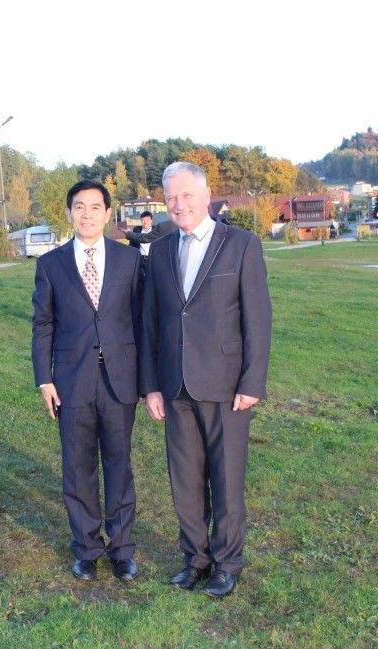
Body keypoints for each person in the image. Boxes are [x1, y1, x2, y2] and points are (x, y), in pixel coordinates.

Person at [140, 161, 272, 599]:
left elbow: (258, 320)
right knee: (186, 480)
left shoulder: (242, 245)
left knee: (226, 479)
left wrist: (252, 382)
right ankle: (194, 559)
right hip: (174, 385)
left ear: (206, 195)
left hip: (227, 385)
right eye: (171, 198)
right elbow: (150, 322)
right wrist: (150, 385)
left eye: (186, 195)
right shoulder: (160, 250)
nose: (179, 205)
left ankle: (226, 563)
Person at [31, 180, 142, 582]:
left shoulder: (130, 260)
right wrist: (44, 379)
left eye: (96, 207)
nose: (87, 214)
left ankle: (122, 549)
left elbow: (141, 320)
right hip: (71, 381)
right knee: (78, 469)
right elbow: (43, 324)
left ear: (108, 213)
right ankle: (87, 548)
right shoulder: (51, 264)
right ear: (69, 213)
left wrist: (146, 380)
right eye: (80, 207)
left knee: (119, 466)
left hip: (119, 380)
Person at [125, 211, 173, 275]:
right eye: (143, 220)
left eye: (147, 220)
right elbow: (132, 244)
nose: (145, 222)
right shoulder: (137, 230)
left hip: (153, 259)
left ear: (151, 220)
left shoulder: (156, 230)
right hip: (140, 259)